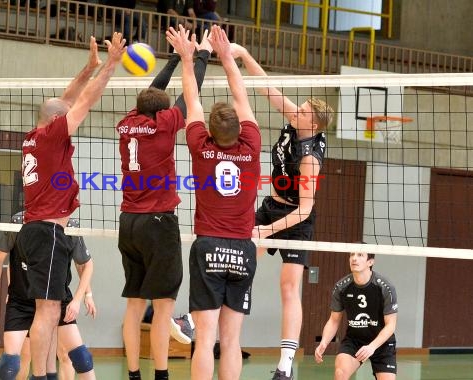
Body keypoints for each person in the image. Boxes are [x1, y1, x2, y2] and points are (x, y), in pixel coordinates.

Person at [16, 33, 125, 380]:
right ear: (56, 124)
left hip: (41, 231)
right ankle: (41, 376)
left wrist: (88, 67)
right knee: (47, 313)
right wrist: (109, 66)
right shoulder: (50, 137)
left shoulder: (34, 137)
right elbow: (82, 104)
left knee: (48, 310)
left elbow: (63, 102)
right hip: (46, 233)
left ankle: (46, 374)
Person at [229, 43, 334, 380]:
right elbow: (268, 89)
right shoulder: (296, 121)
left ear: (313, 124)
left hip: (295, 219)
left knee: (289, 286)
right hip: (272, 206)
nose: (295, 111)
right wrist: (244, 54)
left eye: (302, 112)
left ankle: (285, 364)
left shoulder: (309, 159)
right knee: (240, 263)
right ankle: (222, 337)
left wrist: (267, 231)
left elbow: (305, 211)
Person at [115, 29, 212, 380]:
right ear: (162, 112)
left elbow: (153, 94)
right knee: (163, 308)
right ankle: (160, 375)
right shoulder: (163, 125)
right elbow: (191, 93)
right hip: (158, 224)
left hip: (128, 223)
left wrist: (173, 60)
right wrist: (197, 56)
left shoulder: (128, 124)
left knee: (133, 305)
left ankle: (133, 374)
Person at [166, 25, 261, 380]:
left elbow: (192, 99)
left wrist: (188, 60)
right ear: (240, 129)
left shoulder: (200, 146)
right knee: (231, 340)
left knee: (204, 339)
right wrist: (226, 55)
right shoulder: (251, 145)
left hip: (208, 246)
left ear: (211, 129)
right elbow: (242, 96)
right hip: (242, 248)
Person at [0, 213, 97, 380]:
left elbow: (84, 264)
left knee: (81, 359)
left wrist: (83, 297)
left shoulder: (68, 224)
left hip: (55, 299)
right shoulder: (20, 221)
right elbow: (0, 259)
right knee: (10, 366)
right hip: (21, 300)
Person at [315, 251, 398, 380]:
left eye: (360, 255)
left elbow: (391, 326)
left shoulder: (385, 287)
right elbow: (334, 320)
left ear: (370, 262)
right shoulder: (341, 287)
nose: (354, 258)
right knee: (340, 373)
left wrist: (371, 347)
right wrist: (324, 342)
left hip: (382, 343)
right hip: (354, 341)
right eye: (352, 255)